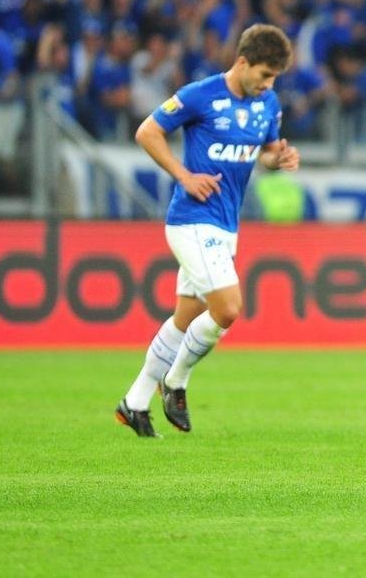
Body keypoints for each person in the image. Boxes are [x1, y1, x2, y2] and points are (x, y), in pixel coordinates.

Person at [116, 24, 300, 438]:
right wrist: (184, 175)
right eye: (265, 75)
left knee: (187, 316)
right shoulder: (201, 94)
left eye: (274, 78)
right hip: (192, 220)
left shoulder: (267, 103)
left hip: (225, 223)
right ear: (242, 62)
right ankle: (176, 382)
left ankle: (133, 402)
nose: (269, 85)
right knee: (229, 309)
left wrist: (281, 157)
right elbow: (147, 131)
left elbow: (267, 152)